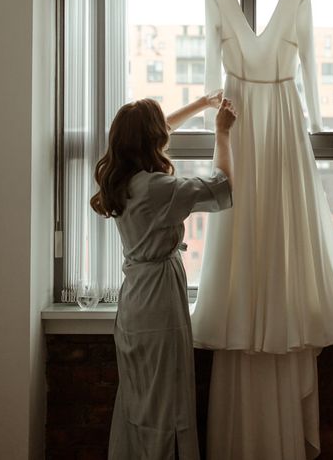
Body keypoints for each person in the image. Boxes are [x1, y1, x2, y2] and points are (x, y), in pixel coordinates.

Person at [90, 92, 237, 460]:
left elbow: (158, 129)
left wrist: (201, 103)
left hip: (134, 304)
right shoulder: (159, 189)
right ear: (152, 141)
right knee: (166, 407)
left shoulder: (121, 179)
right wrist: (222, 132)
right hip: (158, 304)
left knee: (140, 405)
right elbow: (223, 188)